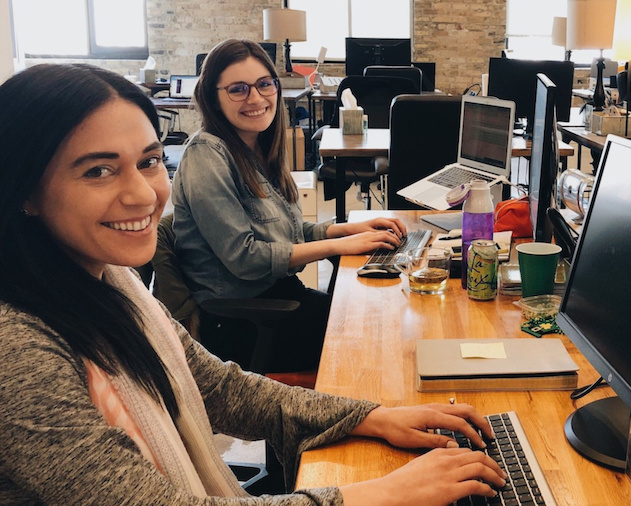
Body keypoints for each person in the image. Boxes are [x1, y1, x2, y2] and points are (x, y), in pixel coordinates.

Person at [0, 63, 505, 504]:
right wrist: (377, 494)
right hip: (239, 306)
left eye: (150, 161)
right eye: (98, 171)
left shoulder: (110, 286)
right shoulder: (18, 348)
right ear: (24, 190)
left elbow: (219, 388)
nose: (142, 195)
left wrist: (370, 417)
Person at [171, 39, 405, 372]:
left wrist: (352, 228)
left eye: (264, 84)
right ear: (213, 97)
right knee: (376, 331)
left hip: (278, 301)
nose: (256, 98)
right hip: (244, 322)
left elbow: (294, 232)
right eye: (238, 89)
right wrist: (338, 246)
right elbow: (246, 258)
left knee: (382, 308)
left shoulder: (255, 150)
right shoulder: (206, 155)